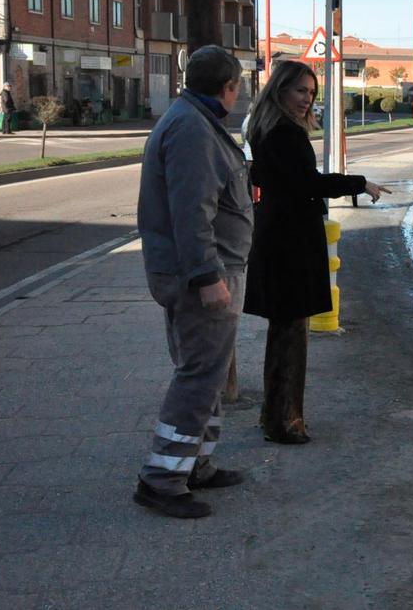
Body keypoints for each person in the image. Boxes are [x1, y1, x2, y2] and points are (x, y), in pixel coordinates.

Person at [243, 60, 390, 444]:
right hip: (289, 241)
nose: (307, 99)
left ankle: (275, 416)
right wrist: (360, 183)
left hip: (280, 234)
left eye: (311, 93)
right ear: (280, 91)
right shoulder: (284, 134)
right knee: (291, 334)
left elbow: (267, 176)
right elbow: (307, 183)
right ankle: (286, 423)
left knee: (285, 331)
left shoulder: (267, 128)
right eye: (300, 91)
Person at [134, 45, 253, 519]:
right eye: (238, 87)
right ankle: (161, 479)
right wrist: (208, 276)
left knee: (207, 374)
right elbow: (192, 212)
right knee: (199, 375)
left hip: (205, 270)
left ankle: (195, 464)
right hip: (204, 276)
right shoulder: (191, 130)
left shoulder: (192, 120)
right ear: (229, 88)